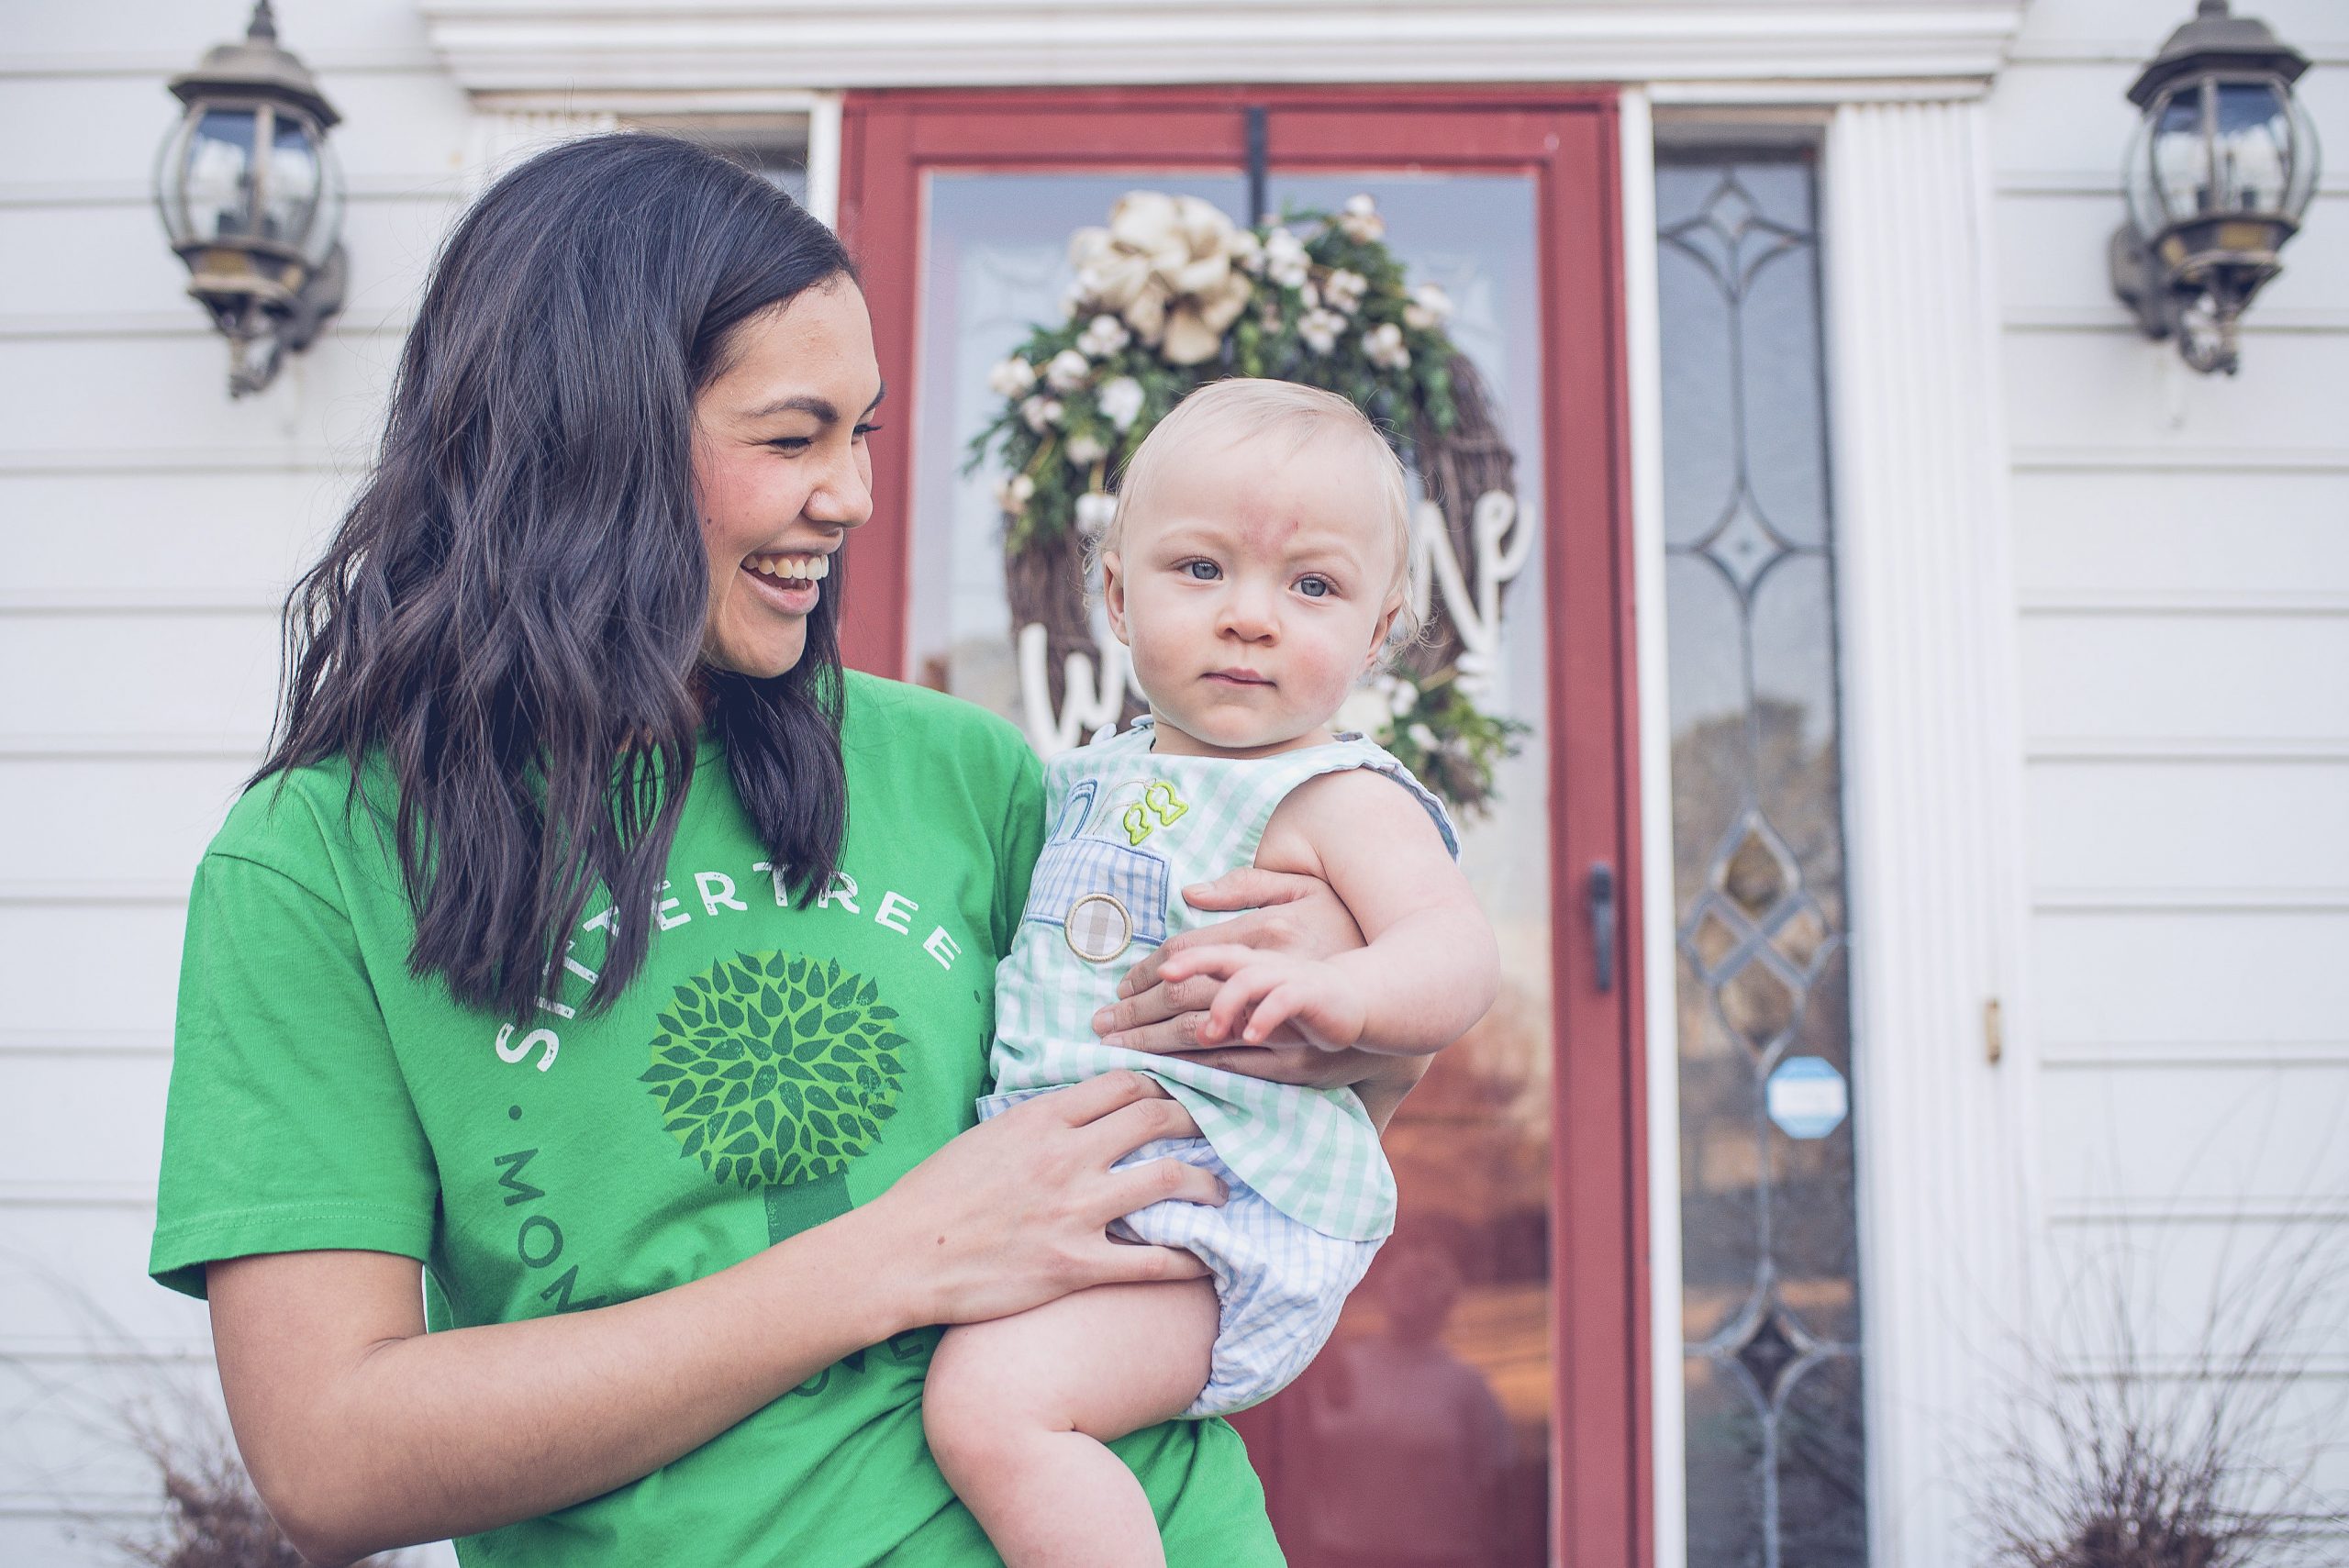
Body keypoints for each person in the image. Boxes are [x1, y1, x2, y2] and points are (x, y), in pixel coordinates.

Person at [146, 135, 1428, 1568]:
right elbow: (331, 1456)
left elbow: (1280, 1116)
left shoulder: (966, 774)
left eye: (864, 434)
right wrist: (880, 1262)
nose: (855, 497)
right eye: (792, 435)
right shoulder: (314, 864)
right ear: (595, 440)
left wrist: (1340, 993)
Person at [922, 379, 1502, 1567]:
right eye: (1202, 570)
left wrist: (1349, 993)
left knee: (990, 1405)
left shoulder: (1335, 792)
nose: (1251, 617)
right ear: (1119, 597)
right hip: (1098, 1189)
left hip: (1220, 1206)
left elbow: (1458, 953)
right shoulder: (1086, 774)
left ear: (1377, 634)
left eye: (1312, 586)